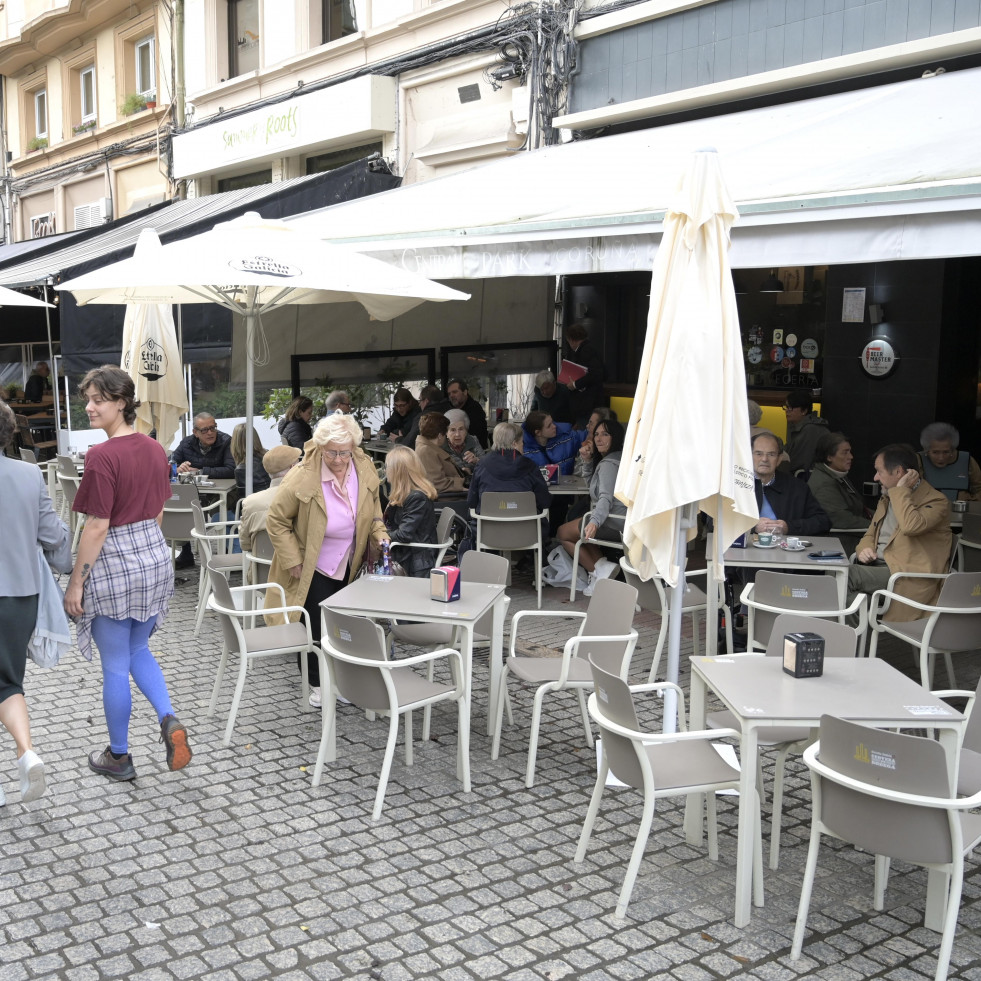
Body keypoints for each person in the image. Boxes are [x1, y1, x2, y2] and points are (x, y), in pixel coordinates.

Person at [65, 366, 191, 781]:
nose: (89, 407)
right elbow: (157, 510)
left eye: (98, 400)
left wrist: (76, 582)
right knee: (138, 649)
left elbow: (97, 527)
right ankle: (168, 718)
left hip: (116, 560)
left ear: (122, 402)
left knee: (116, 665)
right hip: (154, 557)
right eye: (88, 399)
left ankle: (119, 756)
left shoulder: (102, 455)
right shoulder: (156, 449)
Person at [265, 411, 389, 709]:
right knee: (315, 628)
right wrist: (292, 558)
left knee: (343, 627)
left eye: (343, 452)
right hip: (311, 563)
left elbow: (373, 510)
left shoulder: (364, 466)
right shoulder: (302, 475)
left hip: (349, 561)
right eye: (331, 452)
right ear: (320, 447)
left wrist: (380, 534)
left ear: (354, 448)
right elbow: (276, 520)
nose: (337, 459)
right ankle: (319, 685)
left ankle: (342, 682)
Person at [0, 403, 72, 807]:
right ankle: (26, 751)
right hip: (20, 596)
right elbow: (53, 535)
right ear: (9, 434)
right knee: (8, 681)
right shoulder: (29, 474)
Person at [849, 443, 952, 622]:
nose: (875, 477)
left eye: (879, 472)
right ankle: (859, 625)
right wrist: (864, 549)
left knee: (846, 576)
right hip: (878, 567)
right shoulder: (888, 497)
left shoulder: (936, 500)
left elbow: (911, 526)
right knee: (838, 579)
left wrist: (901, 491)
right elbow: (869, 535)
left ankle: (856, 630)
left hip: (904, 574)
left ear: (898, 473)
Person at [556, 419, 628, 595]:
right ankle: (602, 570)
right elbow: (595, 490)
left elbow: (604, 498)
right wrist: (587, 461)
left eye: (605, 434)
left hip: (612, 523)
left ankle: (597, 570)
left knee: (563, 533)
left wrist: (595, 521)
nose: (599, 438)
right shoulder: (620, 459)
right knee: (578, 529)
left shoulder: (608, 465)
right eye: (596, 434)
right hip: (622, 522)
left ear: (615, 437)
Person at [467, 422, 551, 550]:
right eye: (522, 442)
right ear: (514, 444)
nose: (524, 445)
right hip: (526, 534)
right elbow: (545, 502)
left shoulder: (482, 465)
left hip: (487, 534)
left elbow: (471, 502)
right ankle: (532, 562)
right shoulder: (530, 466)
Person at [239, 445, 301, 582]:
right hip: (297, 578)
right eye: (299, 463)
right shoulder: (304, 499)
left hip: (261, 578)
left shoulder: (250, 502)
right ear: (293, 468)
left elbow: (245, 544)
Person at [751, 432, 831, 537]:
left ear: (779, 459)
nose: (764, 459)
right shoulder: (735, 485)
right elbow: (723, 521)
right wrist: (752, 527)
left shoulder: (797, 487)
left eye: (771, 454)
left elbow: (823, 522)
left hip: (786, 549)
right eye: (759, 453)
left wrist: (788, 527)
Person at [383, 445, 439, 578]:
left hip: (414, 561)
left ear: (398, 471)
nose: (385, 471)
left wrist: (379, 535)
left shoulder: (416, 497)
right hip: (409, 555)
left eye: (387, 467)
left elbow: (404, 534)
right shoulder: (406, 495)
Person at [807, 432, 869, 550]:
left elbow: (861, 508)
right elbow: (843, 520)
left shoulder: (837, 476)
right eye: (845, 452)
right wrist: (879, 525)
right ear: (829, 457)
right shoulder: (824, 484)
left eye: (850, 451)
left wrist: (883, 517)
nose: (851, 456)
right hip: (842, 543)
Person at [918, 421, 981, 502]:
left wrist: (971, 501)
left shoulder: (966, 460)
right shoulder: (918, 460)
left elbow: (979, 488)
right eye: (935, 452)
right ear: (926, 450)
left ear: (952, 449)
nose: (941, 458)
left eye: (946, 452)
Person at [415, 412, 468, 499]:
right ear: (440, 435)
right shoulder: (426, 451)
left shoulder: (428, 448)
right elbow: (436, 483)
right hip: (449, 500)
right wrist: (462, 483)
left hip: (451, 496)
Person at [563, 322, 605, 427]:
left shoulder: (586, 351)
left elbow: (596, 374)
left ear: (571, 340)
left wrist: (575, 384)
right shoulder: (590, 349)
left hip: (587, 402)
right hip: (588, 402)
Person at [522, 411, 589, 476]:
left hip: (567, 484)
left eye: (552, 422)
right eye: (549, 426)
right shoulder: (524, 452)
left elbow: (586, 436)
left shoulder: (566, 436)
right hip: (541, 486)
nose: (554, 426)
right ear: (538, 433)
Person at [172, 412, 235, 478]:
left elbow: (231, 470)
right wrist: (178, 469)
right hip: (193, 486)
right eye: (204, 430)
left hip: (223, 486)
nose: (210, 433)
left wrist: (200, 472)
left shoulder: (226, 441)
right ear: (195, 432)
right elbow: (169, 464)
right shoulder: (187, 443)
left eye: (212, 428)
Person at [782, 390, 829, 476]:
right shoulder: (795, 425)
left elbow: (798, 463)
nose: (787, 411)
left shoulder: (810, 430)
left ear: (804, 411)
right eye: (786, 407)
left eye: (791, 408)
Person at [398, 385, 449, 449]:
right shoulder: (449, 411)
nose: (419, 404)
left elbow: (409, 443)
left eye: (420, 400)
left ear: (426, 401)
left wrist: (399, 440)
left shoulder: (424, 417)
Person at [447, 378, 488, 448]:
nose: (451, 396)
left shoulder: (475, 409)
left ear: (465, 392)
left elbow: (474, 435)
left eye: (454, 392)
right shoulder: (451, 409)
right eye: (449, 393)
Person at [444, 408, 484, 478]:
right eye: (453, 430)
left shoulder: (473, 440)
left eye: (461, 429)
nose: (457, 434)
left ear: (466, 430)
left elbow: (487, 465)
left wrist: (476, 460)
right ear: (446, 433)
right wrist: (461, 473)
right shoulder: (440, 446)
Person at [232, 424, 269, 495]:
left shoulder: (242, 469)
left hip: (258, 503)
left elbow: (244, 499)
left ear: (235, 442)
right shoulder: (268, 456)